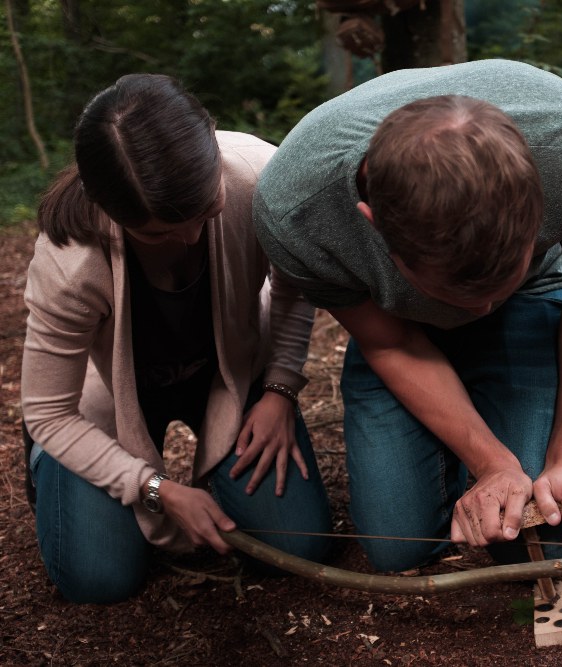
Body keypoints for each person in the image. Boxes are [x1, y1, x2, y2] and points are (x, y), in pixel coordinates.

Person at [253, 59, 562, 572]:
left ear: (541, 201)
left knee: (545, 540)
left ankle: (511, 413)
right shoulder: (297, 209)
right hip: (402, 331)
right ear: (374, 225)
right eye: (455, 291)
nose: (478, 310)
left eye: (496, 284)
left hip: (533, 300)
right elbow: (390, 343)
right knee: (395, 550)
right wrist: (492, 464)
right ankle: (476, 429)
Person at [21, 73, 334, 604]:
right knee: (100, 580)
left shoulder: (261, 175)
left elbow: (295, 284)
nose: (189, 238)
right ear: (108, 209)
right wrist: (154, 488)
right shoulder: (70, 262)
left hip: (233, 368)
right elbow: (48, 411)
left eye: (204, 213)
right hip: (110, 396)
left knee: (300, 546)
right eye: (158, 232)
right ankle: (51, 472)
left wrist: (280, 388)